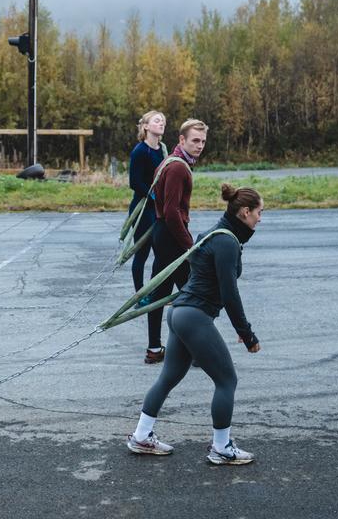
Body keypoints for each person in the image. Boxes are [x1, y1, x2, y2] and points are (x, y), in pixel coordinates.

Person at [126, 183, 263, 465]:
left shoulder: (212, 234)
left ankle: (141, 436)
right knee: (227, 381)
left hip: (180, 313)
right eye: (259, 212)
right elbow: (229, 293)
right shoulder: (227, 242)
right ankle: (222, 448)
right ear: (245, 212)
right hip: (194, 317)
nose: (260, 219)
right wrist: (246, 333)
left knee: (169, 377)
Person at [142, 118, 207, 364]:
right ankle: (197, 351)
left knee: (160, 293)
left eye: (203, 141)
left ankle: (154, 349)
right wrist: (190, 246)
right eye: (195, 140)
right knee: (194, 294)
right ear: (182, 140)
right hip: (171, 236)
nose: (199, 146)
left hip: (163, 233)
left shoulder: (169, 161)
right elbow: (171, 212)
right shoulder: (178, 167)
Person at [127, 110, 168, 311]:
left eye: (163, 121)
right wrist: (152, 196)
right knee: (142, 253)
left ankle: (156, 292)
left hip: (159, 209)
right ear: (146, 126)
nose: (161, 124)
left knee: (161, 252)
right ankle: (139, 297)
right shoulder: (140, 151)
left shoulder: (163, 150)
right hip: (142, 209)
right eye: (157, 120)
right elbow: (134, 182)